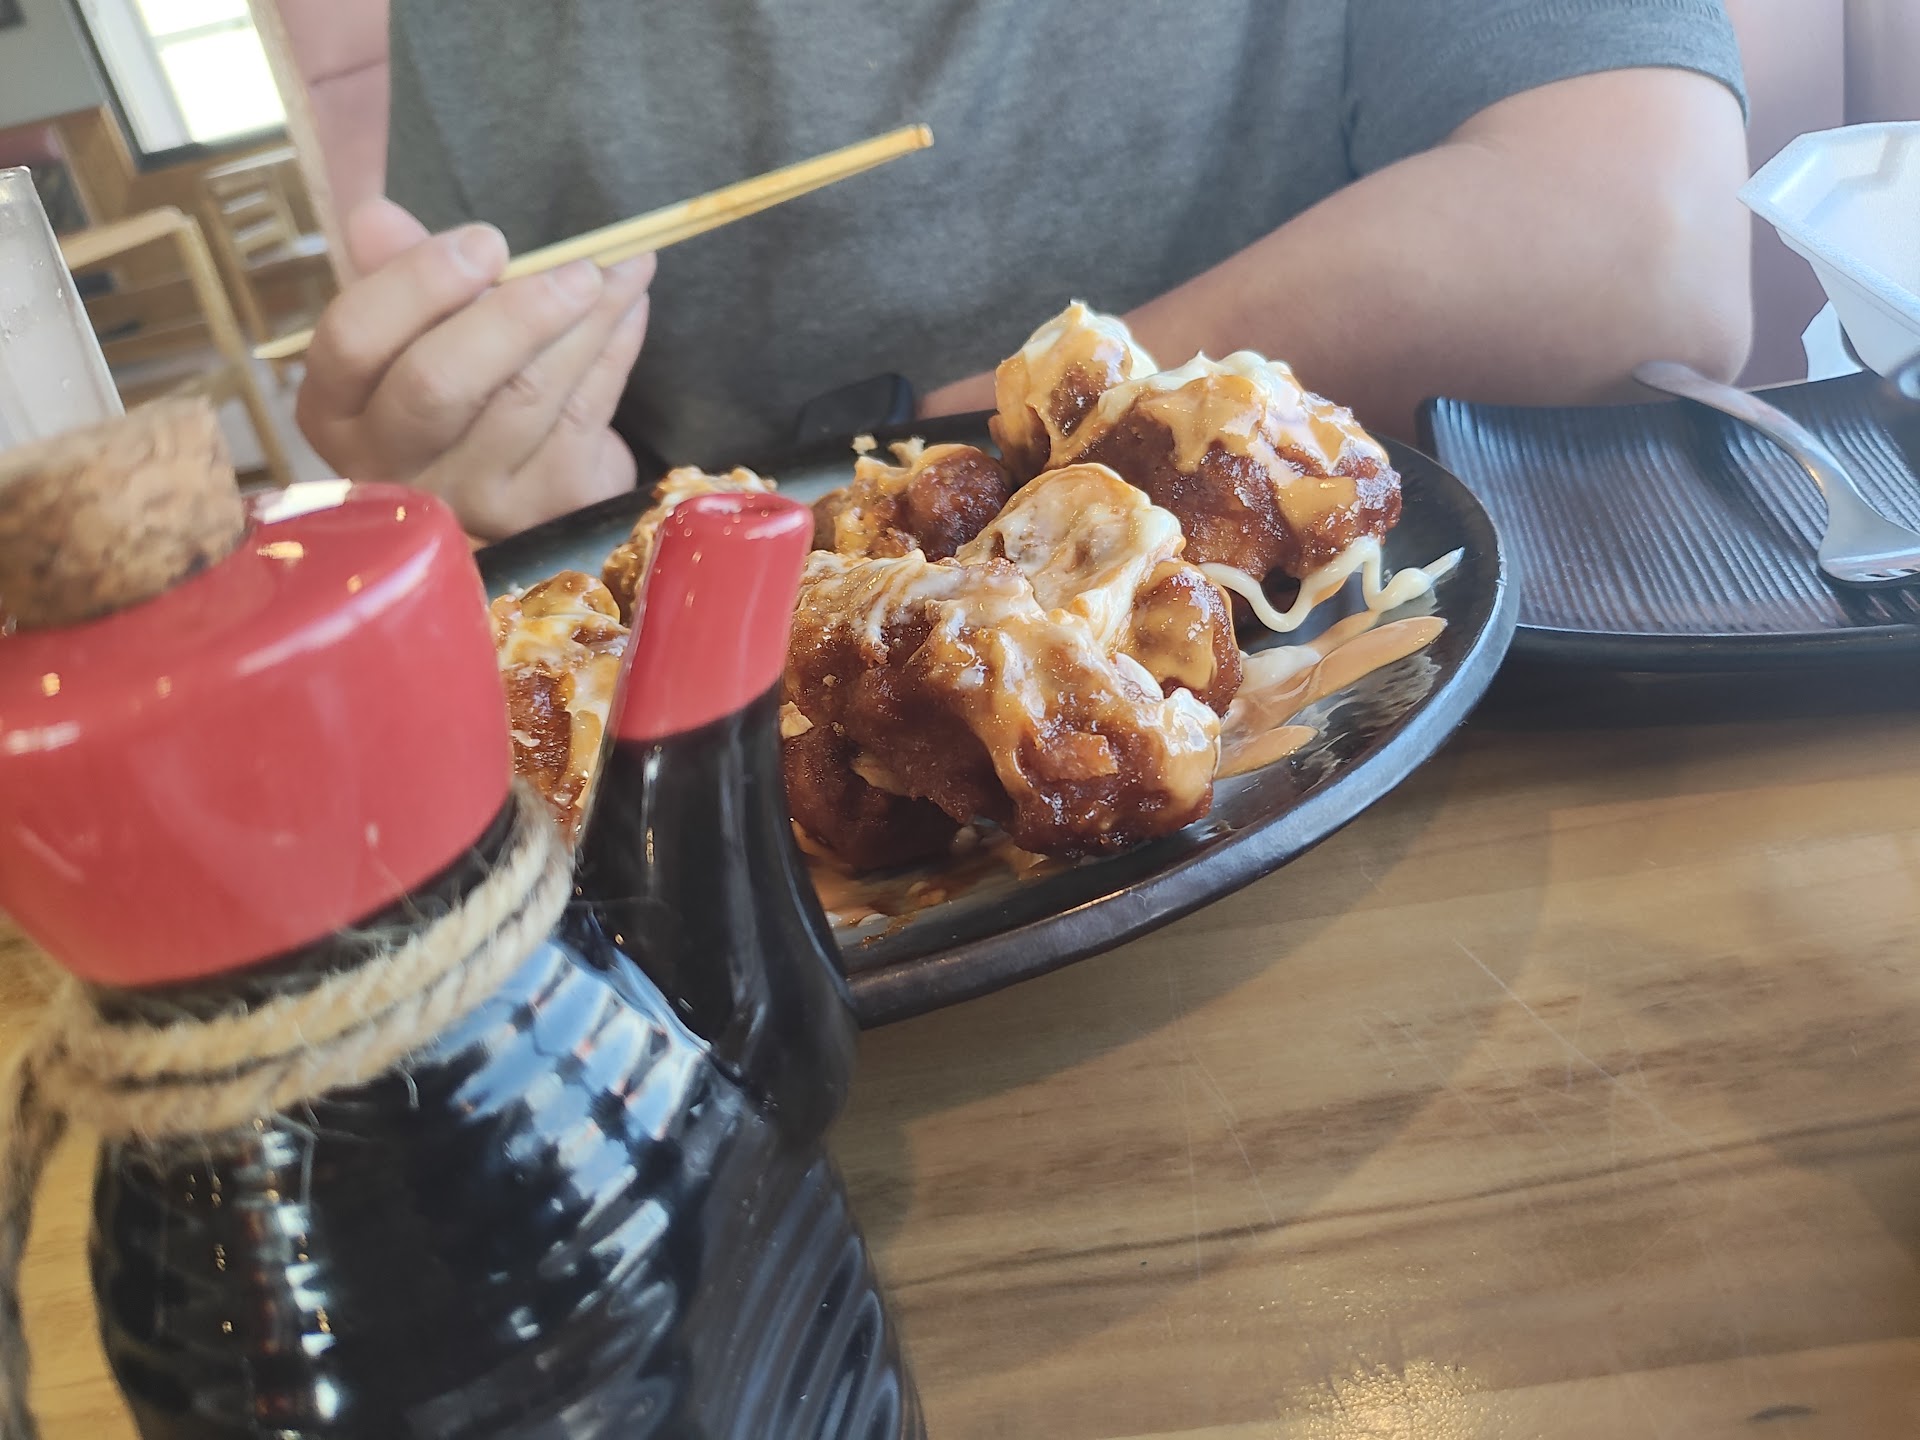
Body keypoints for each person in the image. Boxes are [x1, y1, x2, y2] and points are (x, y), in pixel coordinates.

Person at [296, 1, 1752, 540]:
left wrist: (943, 462)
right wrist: (497, 489)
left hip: (1403, 707)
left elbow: (1641, 241)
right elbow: (552, 483)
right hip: (767, 854)